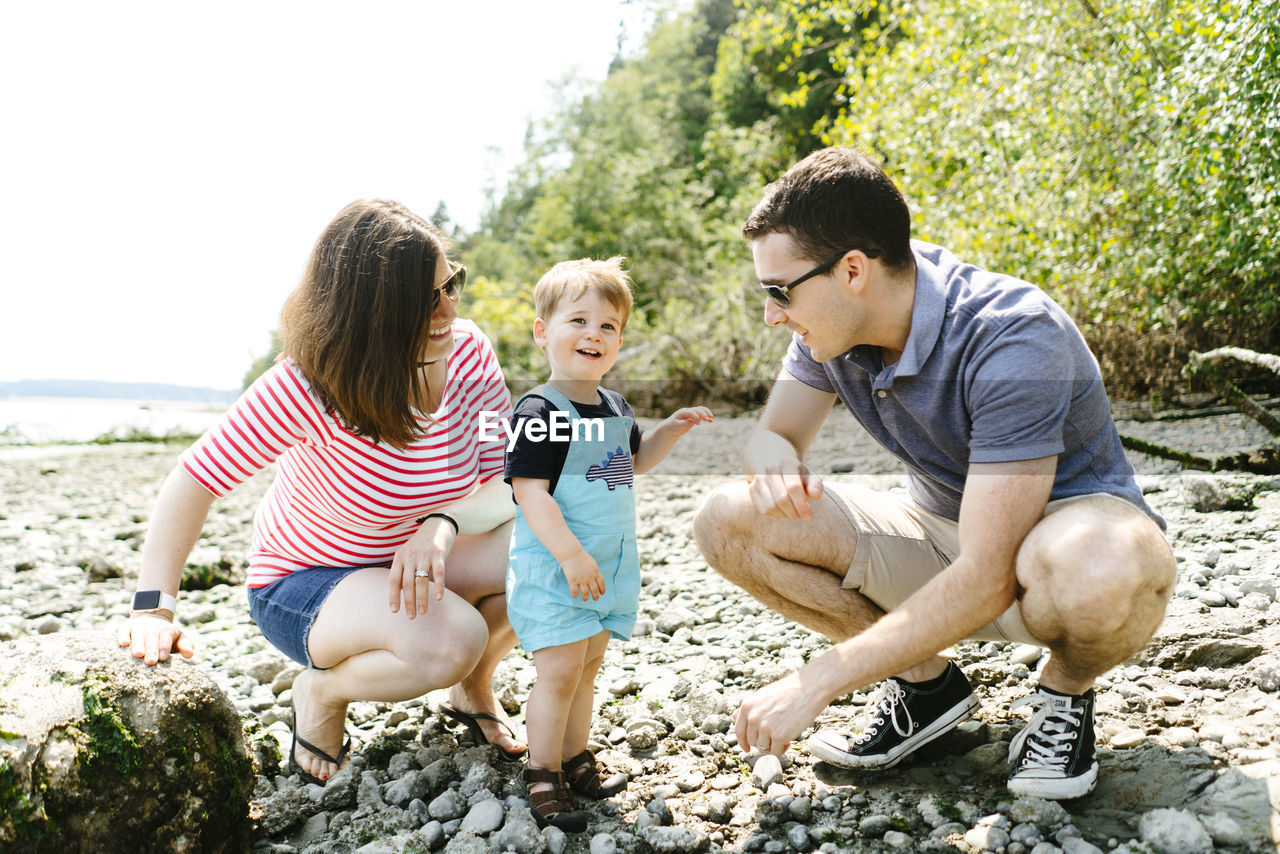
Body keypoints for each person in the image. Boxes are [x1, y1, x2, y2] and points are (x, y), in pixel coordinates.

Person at [692, 147, 1176, 800]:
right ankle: (927, 689)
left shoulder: (1012, 336)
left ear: (853, 270)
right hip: (945, 531)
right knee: (727, 519)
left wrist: (821, 678)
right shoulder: (829, 328)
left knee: (1101, 569)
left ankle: (1065, 694)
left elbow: (987, 575)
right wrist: (772, 460)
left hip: (1060, 538)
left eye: (779, 291)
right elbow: (773, 433)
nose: (773, 313)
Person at [117, 199, 526, 786]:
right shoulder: (308, 385)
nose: (448, 309)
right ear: (372, 311)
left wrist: (441, 524)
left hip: (423, 553)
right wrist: (154, 607)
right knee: (451, 639)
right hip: (310, 582)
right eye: (424, 298)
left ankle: (473, 688)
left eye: (451, 284)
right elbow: (194, 479)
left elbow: (508, 481)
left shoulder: (468, 351)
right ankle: (323, 693)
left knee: (547, 551)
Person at [502, 258, 713, 829]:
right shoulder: (538, 410)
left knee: (589, 664)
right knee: (560, 670)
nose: (594, 334)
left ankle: (574, 758)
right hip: (557, 567)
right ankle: (541, 771)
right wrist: (570, 555)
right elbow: (531, 493)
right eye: (578, 320)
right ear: (543, 332)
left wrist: (668, 429)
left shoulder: (615, 407)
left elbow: (633, 463)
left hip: (608, 566)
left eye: (608, 326)